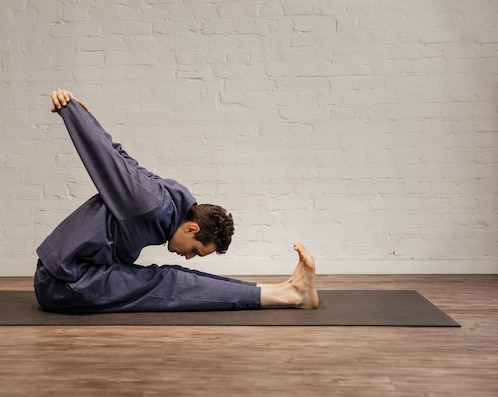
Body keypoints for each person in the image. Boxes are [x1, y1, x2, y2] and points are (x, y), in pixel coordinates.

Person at [34, 88, 318, 314]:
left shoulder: (162, 202)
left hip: (87, 273)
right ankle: (290, 294)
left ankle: (285, 289)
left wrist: (88, 118)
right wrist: (71, 111)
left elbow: (121, 157)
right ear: (192, 228)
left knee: (175, 276)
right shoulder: (150, 204)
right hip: (66, 282)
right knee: (171, 282)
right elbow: (107, 160)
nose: (189, 255)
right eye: (196, 250)